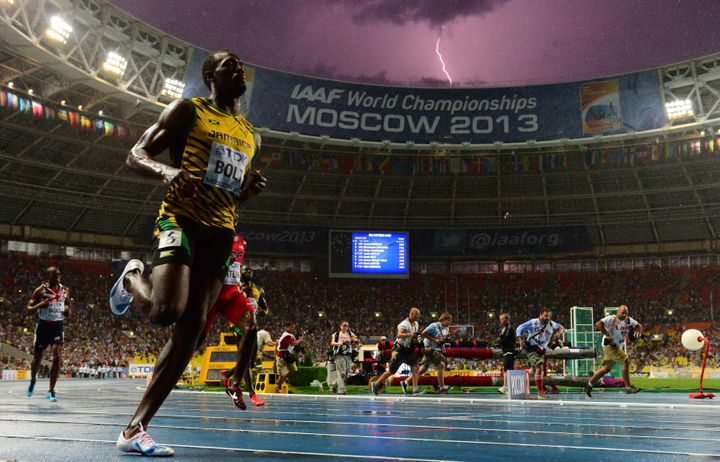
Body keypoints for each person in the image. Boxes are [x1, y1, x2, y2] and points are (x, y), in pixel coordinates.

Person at [109, 49, 267, 457]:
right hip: (180, 221)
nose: (238, 67)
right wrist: (167, 171)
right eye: (228, 64)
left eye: (240, 62)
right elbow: (136, 153)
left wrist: (245, 192)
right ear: (210, 76)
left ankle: (134, 429)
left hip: (220, 234)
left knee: (191, 332)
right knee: (165, 312)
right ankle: (132, 276)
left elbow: (226, 190)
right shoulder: (188, 111)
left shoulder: (252, 135)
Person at [197, 234, 262, 409]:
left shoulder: (241, 242)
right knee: (194, 343)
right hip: (211, 294)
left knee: (252, 328)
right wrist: (224, 260)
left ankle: (235, 386)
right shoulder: (209, 235)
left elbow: (237, 266)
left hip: (231, 294)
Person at [26, 267, 70, 402]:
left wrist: (67, 310)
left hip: (57, 325)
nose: (58, 277)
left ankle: (51, 390)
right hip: (43, 326)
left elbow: (68, 309)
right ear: (48, 276)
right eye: (55, 275)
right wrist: (40, 305)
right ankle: (33, 380)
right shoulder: (40, 291)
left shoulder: (65, 290)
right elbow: (28, 309)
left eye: (59, 275)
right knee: (38, 357)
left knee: (57, 356)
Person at [585, 305, 642, 397]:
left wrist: (637, 333)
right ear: (618, 312)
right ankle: (628, 388)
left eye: (626, 313)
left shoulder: (628, 320)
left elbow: (638, 326)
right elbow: (598, 324)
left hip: (617, 346)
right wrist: (607, 334)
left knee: (606, 369)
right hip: (610, 346)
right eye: (622, 312)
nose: (624, 314)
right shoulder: (612, 319)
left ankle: (589, 384)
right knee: (625, 361)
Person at [516, 309, 565, 399]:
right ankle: (540, 393)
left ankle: (522, 375)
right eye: (545, 316)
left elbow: (561, 328)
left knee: (533, 371)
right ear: (540, 315)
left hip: (541, 350)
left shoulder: (551, 324)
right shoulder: (533, 322)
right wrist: (520, 340)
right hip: (531, 347)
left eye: (549, 316)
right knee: (539, 368)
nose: (547, 318)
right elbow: (519, 327)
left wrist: (558, 334)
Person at [372, 307, 421, 396]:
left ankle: (415, 389)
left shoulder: (416, 324)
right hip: (399, 349)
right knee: (392, 371)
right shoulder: (404, 324)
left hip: (408, 349)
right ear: (411, 314)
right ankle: (376, 383)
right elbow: (399, 335)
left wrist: (415, 340)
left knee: (415, 366)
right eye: (417, 314)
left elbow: (412, 337)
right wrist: (410, 334)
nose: (418, 316)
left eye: (419, 314)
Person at [402, 312, 452, 394]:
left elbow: (442, 338)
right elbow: (423, 333)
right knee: (441, 365)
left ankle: (406, 382)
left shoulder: (446, 328)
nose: (449, 323)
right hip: (429, 348)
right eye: (448, 320)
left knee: (423, 368)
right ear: (443, 319)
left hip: (437, 349)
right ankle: (442, 387)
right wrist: (435, 340)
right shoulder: (434, 326)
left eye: (450, 321)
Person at [330, 321, 362, 394]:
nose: (345, 327)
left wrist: (357, 343)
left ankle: (334, 385)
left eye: (347, 326)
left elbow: (357, 340)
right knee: (342, 372)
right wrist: (339, 343)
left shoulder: (350, 334)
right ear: (340, 326)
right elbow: (332, 343)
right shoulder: (336, 334)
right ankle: (341, 390)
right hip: (339, 355)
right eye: (344, 325)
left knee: (347, 373)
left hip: (348, 355)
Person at [275, 321, 304, 391]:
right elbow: (292, 343)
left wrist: (300, 341)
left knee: (293, 369)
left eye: (293, 327)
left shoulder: (290, 335)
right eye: (292, 327)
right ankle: (278, 387)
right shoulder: (286, 335)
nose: (293, 328)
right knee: (281, 373)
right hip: (281, 355)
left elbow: (296, 344)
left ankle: (281, 381)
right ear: (287, 327)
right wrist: (299, 340)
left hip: (287, 354)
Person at [497, 313, 515, 395]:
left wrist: (498, 341)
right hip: (506, 351)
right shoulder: (505, 328)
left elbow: (505, 339)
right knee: (506, 370)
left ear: (506, 319)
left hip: (509, 351)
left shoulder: (509, 328)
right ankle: (506, 387)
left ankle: (506, 388)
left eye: (502, 319)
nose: (500, 321)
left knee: (508, 370)